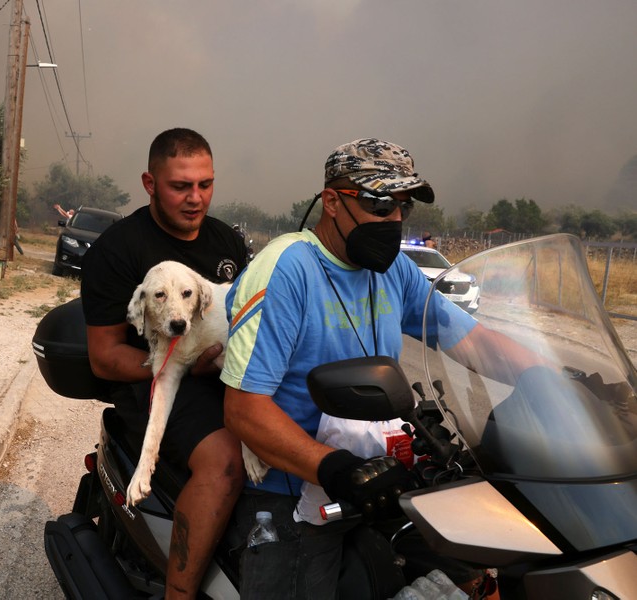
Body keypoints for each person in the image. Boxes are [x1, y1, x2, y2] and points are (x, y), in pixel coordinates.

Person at [221, 138, 541, 598]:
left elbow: (474, 341)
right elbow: (244, 409)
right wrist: (335, 469)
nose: (392, 220)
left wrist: (555, 380)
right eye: (377, 203)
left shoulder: (391, 270)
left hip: (381, 477)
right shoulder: (286, 270)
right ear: (331, 201)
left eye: (401, 208)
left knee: (474, 573)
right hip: (295, 489)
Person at [81, 127, 248, 599]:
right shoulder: (117, 251)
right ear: (150, 184)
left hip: (223, 376)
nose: (196, 198)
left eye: (205, 184)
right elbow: (105, 355)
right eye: (180, 186)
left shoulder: (228, 245)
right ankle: (180, 593)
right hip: (153, 387)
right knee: (226, 461)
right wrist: (180, 366)